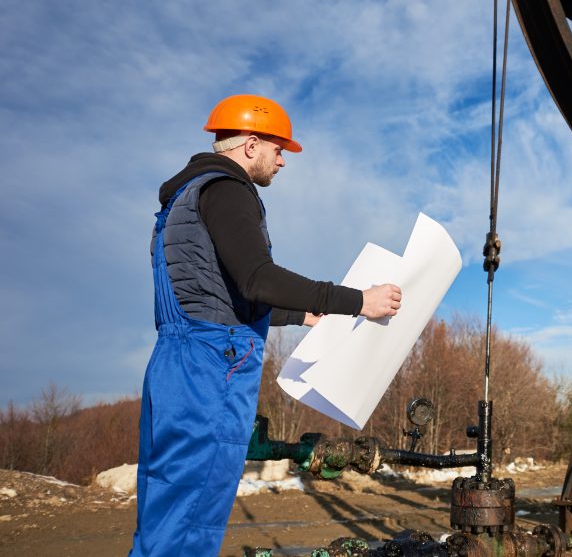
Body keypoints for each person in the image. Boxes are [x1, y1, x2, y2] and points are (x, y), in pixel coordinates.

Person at [129, 94, 401, 556]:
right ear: (250, 144)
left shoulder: (181, 201)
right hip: (212, 373)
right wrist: (359, 301)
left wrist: (302, 314)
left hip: (176, 366)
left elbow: (218, 294)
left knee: (165, 516)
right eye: (279, 149)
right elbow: (258, 279)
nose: (283, 161)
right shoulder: (228, 189)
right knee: (191, 523)